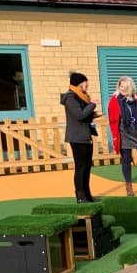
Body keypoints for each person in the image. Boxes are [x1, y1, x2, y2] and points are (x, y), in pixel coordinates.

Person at [61, 71, 100, 203]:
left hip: (86, 135)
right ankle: (80, 195)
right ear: (79, 83)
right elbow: (79, 115)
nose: (87, 85)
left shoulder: (81, 97)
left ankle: (87, 194)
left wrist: (93, 114)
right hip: (77, 137)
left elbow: (84, 115)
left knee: (87, 165)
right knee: (81, 167)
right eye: (85, 82)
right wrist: (92, 104)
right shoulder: (70, 97)